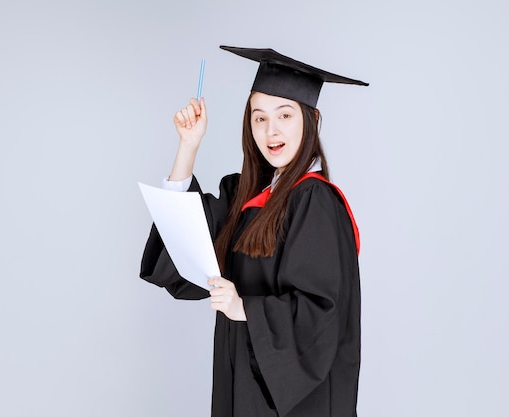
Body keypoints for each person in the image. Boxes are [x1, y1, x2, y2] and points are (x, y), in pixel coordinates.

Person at [140, 45, 368, 417]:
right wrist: (188, 147)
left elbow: (321, 314)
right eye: (259, 118)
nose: (271, 131)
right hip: (241, 388)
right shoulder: (246, 196)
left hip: (293, 404)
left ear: (311, 119)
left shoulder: (315, 202)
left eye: (285, 115)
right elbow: (188, 253)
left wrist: (244, 307)